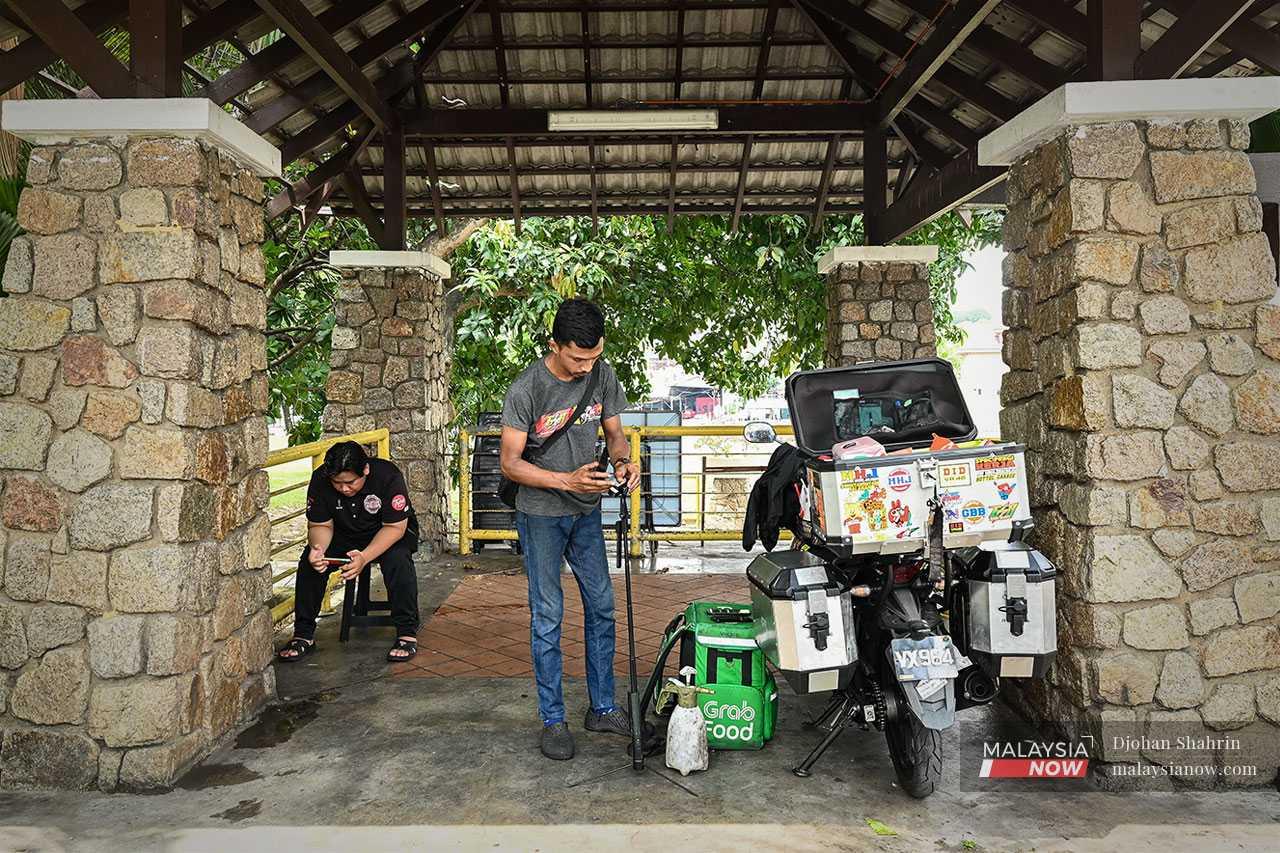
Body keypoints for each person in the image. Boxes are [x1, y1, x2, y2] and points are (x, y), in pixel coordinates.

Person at [500, 298, 641, 760]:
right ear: (554, 346)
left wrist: (623, 461)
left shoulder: (602, 374)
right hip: (540, 513)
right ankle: (553, 719)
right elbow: (510, 463)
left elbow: (615, 432)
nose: (587, 366)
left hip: (585, 512)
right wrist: (566, 479)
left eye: (594, 356)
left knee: (602, 606)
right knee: (548, 617)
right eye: (578, 358)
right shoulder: (527, 388)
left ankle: (601, 707)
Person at [277, 441, 422, 663]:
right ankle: (303, 635)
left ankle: (406, 632)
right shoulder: (320, 479)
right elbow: (321, 526)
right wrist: (319, 549)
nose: (344, 488)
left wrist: (364, 557)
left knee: (398, 559)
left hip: (387, 531)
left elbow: (395, 527)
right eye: (337, 483)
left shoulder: (388, 476)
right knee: (310, 562)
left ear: (365, 470)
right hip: (343, 533)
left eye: (350, 482)